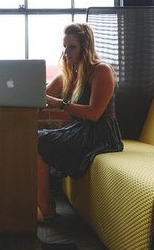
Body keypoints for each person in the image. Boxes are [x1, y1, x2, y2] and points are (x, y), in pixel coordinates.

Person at [37, 22, 124, 221]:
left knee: (40, 141)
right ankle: (42, 203)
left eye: (72, 46)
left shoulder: (101, 71)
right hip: (79, 129)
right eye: (65, 46)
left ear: (86, 47)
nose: (66, 52)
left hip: (101, 134)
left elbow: (94, 114)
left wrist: (60, 104)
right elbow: (40, 97)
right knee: (36, 138)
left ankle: (45, 206)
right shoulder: (68, 73)